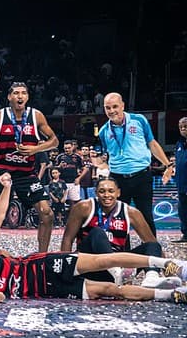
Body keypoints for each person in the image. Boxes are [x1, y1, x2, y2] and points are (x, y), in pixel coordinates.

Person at [0, 172, 187, 304]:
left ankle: (166, 265)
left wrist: (7, 188)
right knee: (109, 290)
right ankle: (172, 296)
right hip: (44, 288)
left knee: (104, 260)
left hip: (41, 264)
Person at [0, 82, 58, 251]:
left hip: (26, 174)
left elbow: (54, 141)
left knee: (47, 214)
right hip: (0, 173)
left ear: (27, 97)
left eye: (23, 93)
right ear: (9, 97)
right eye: (15, 93)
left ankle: (41, 257)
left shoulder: (36, 116)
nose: (19, 96)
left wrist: (36, 149)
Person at [59, 176, 175, 288]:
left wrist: (167, 269)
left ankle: (151, 278)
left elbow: (152, 244)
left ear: (118, 193)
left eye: (111, 191)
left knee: (152, 245)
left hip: (118, 264)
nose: (106, 195)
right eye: (102, 191)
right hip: (90, 264)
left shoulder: (131, 212)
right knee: (97, 232)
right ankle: (115, 271)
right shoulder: (83, 207)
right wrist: (64, 272)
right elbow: (67, 239)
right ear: (95, 193)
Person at [99, 92, 173, 235]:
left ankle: (152, 251)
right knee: (119, 217)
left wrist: (168, 165)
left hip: (141, 176)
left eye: (115, 106)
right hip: (118, 178)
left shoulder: (139, 120)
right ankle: (122, 251)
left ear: (122, 106)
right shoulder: (103, 131)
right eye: (108, 108)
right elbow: (107, 156)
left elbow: (152, 143)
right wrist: (100, 163)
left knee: (146, 216)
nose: (112, 111)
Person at [55, 140, 83, 208]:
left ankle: (74, 216)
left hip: (74, 182)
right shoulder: (60, 157)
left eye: (69, 148)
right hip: (62, 182)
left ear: (72, 147)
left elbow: (85, 168)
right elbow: (54, 169)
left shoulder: (77, 157)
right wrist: (59, 167)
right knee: (60, 202)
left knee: (74, 202)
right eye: (65, 148)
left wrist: (79, 178)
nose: (67, 150)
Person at [174, 117, 187, 243]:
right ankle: (186, 235)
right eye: (180, 127)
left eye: (185, 126)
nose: (183, 129)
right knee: (182, 211)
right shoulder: (179, 144)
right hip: (181, 185)